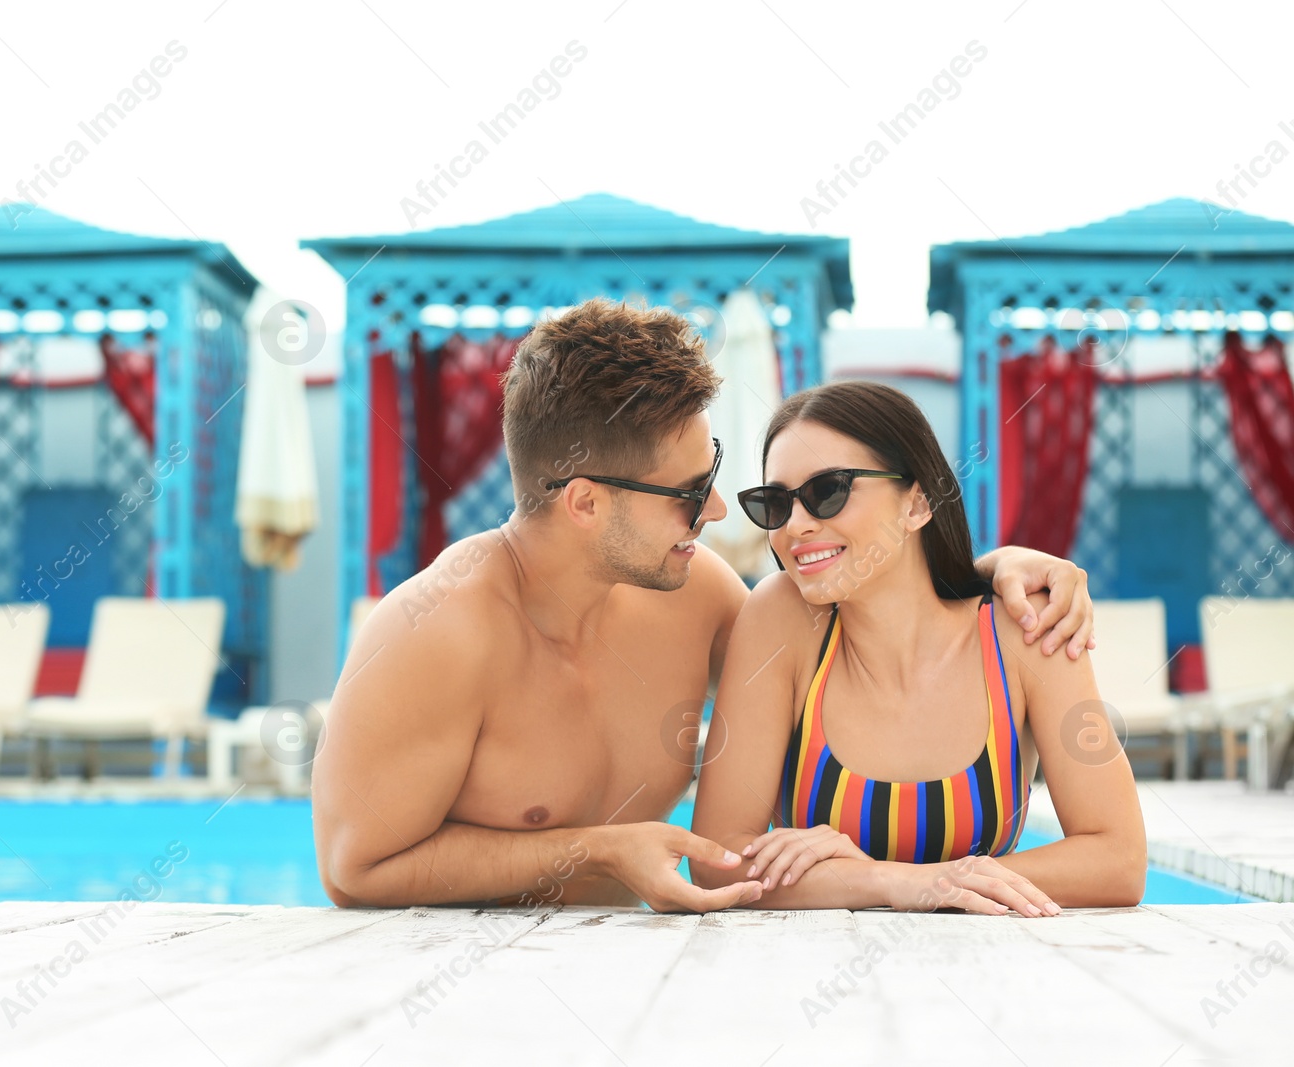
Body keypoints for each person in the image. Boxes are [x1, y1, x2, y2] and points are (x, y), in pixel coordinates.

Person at [313, 299, 1098, 913]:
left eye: (714, 472)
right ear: (586, 502)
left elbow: (855, 603)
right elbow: (355, 869)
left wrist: (992, 566)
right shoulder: (434, 635)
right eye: (690, 493)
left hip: (643, 987)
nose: (718, 511)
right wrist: (597, 849)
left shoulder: (700, 597)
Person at [690, 380, 1145, 913]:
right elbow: (717, 861)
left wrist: (916, 880)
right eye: (773, 503)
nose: (796, 525)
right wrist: (895, 884)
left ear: (919, 502)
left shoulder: (1026, 630)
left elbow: (1118, 861)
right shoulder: (783, 621)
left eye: (828, 491)